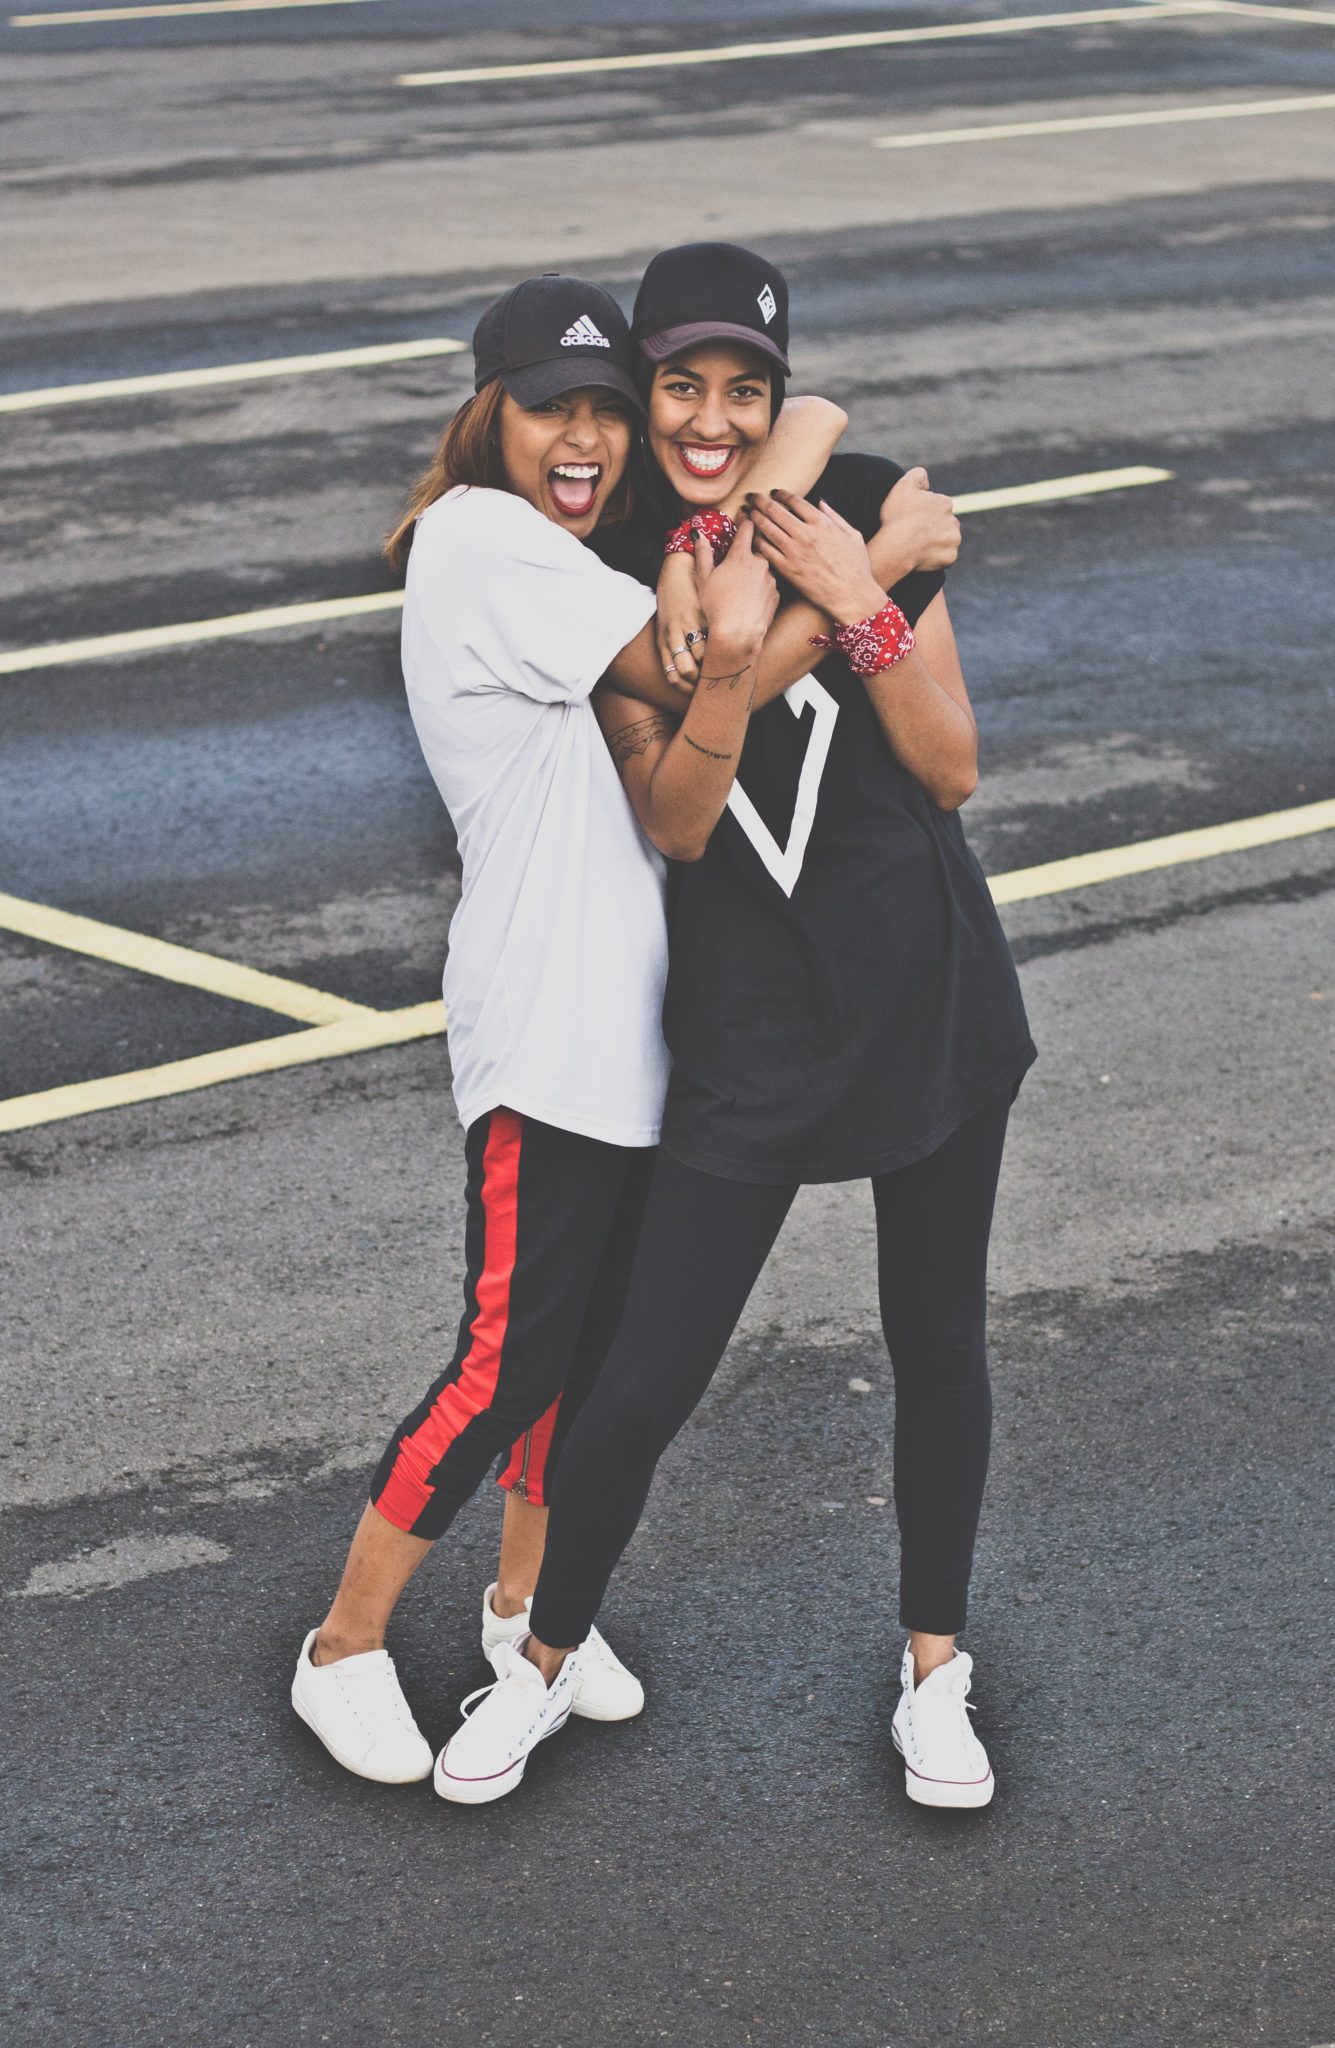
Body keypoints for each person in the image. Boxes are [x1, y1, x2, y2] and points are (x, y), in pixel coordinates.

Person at [436, 245, 1036, 1812]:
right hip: (745, 1027)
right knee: (641, 1377)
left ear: (777, 393)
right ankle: (544, 1663)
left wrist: (864, 586)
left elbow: (953, 769)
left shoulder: (869, 501)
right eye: (680, 386)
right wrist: (834, 586)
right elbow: (685, 811)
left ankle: (935, 1676)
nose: (710, 417)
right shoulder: (617, 557)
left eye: (747, 391)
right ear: (642, 392)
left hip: (926, 993)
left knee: (937, 1348)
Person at [290, 271, 847, 1783]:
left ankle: (525, 1606)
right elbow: (699, 663)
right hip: (545, 1030)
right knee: (503, 1360)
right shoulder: (483, 539)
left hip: (638, 1043)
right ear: (492, 418)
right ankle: (339, 1648)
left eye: (609, 408)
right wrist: (848, 531)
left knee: (584, 1368)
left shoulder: (566, 555)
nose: (587, 438)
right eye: (554, 408)